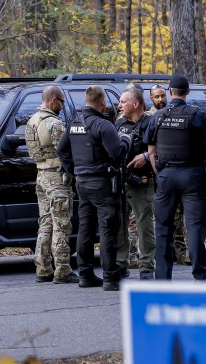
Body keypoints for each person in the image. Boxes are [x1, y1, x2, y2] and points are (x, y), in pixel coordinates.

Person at [144, 75, 206, 280]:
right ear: (187, 92)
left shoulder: (157, 116)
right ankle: (201, 275)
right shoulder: (196, 115)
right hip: (193, 176)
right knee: (194, 227)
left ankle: (162, 278)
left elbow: (151, 151)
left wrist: (159, 173)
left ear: (170, 93)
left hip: (166, 177)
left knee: (162, 227)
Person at [57, 86, 130, 291]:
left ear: (85, 100)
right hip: (102, 185)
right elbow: (117, 153)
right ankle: (110, 278)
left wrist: (74, 170)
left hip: (82, 184)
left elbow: (61, 150)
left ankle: (86, 275)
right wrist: (125, 140)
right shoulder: (103, 125)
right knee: (108, 230)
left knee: (86, 230)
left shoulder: (74, 124)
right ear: (102, 102)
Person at [25, 86, 80, 284]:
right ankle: (63, 269)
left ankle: (42, 267)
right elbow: (65, 153)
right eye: (62, 102)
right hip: (57, 178)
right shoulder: (54, 124)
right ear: (54, 100)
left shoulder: (31, 121)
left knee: (46, 223)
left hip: (41, 176)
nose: (62, 106)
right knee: (62, 223)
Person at [115, 87, 155, 280]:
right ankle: (121, 264)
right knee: (120, 224)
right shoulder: (118, 124)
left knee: (144, 225)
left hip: (142, 182)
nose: (119, 105)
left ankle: (146, 267)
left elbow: (164, 147)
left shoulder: (151, 123)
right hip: (121, 180)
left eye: (123, 102)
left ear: (136, 104)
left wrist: (147, 156)